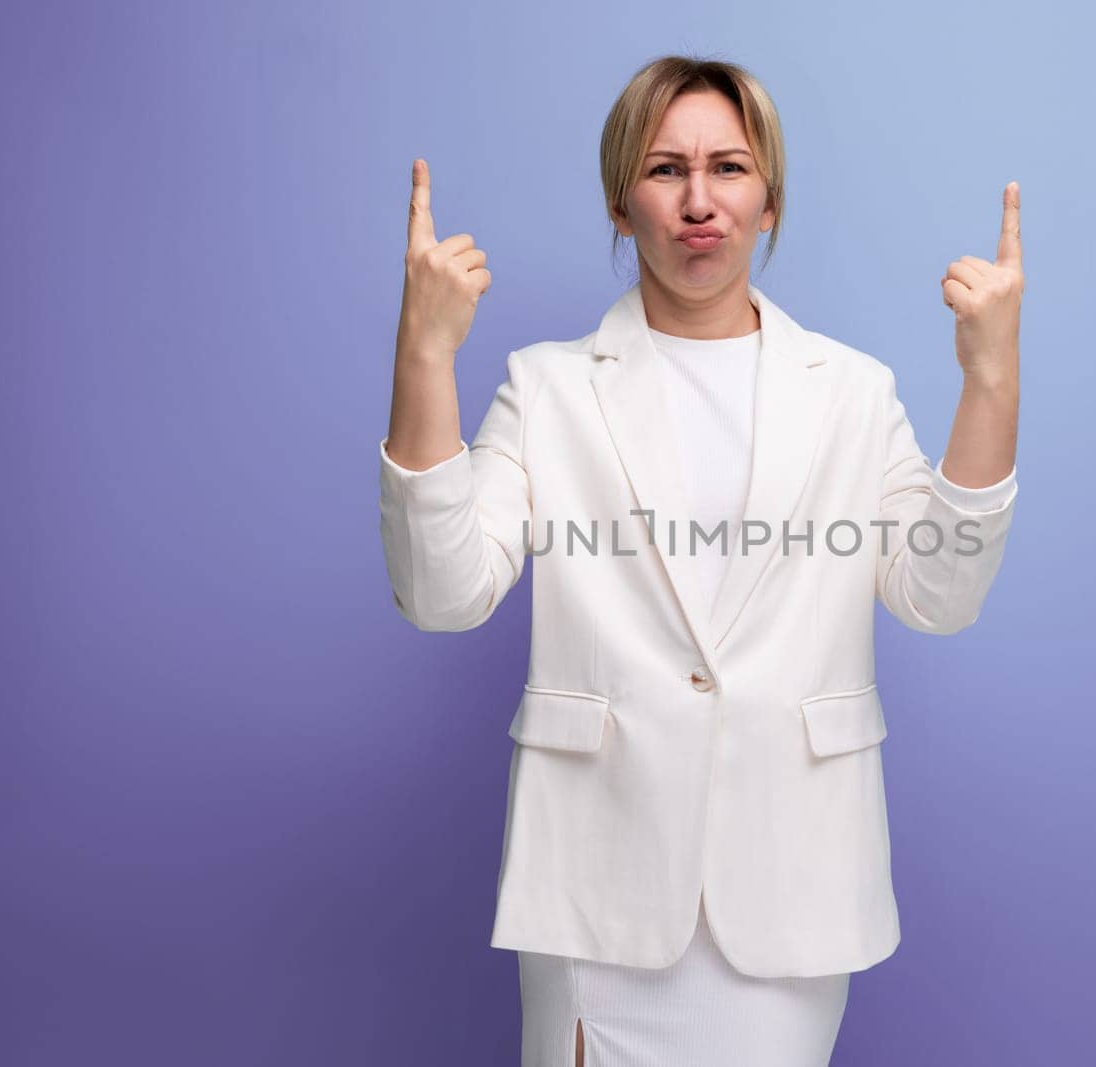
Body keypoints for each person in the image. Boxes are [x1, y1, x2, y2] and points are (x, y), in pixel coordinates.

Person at [378, 55, 1023, 1067]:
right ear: (618, 200)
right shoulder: (547, 388)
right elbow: (444, 593)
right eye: (664, 168)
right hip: (600, 886)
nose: (697, 200)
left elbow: (938, 594)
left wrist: (989, 379)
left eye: (728, 167)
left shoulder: (851, 391)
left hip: (790, 883)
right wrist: (423, 354)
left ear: (768, 200)